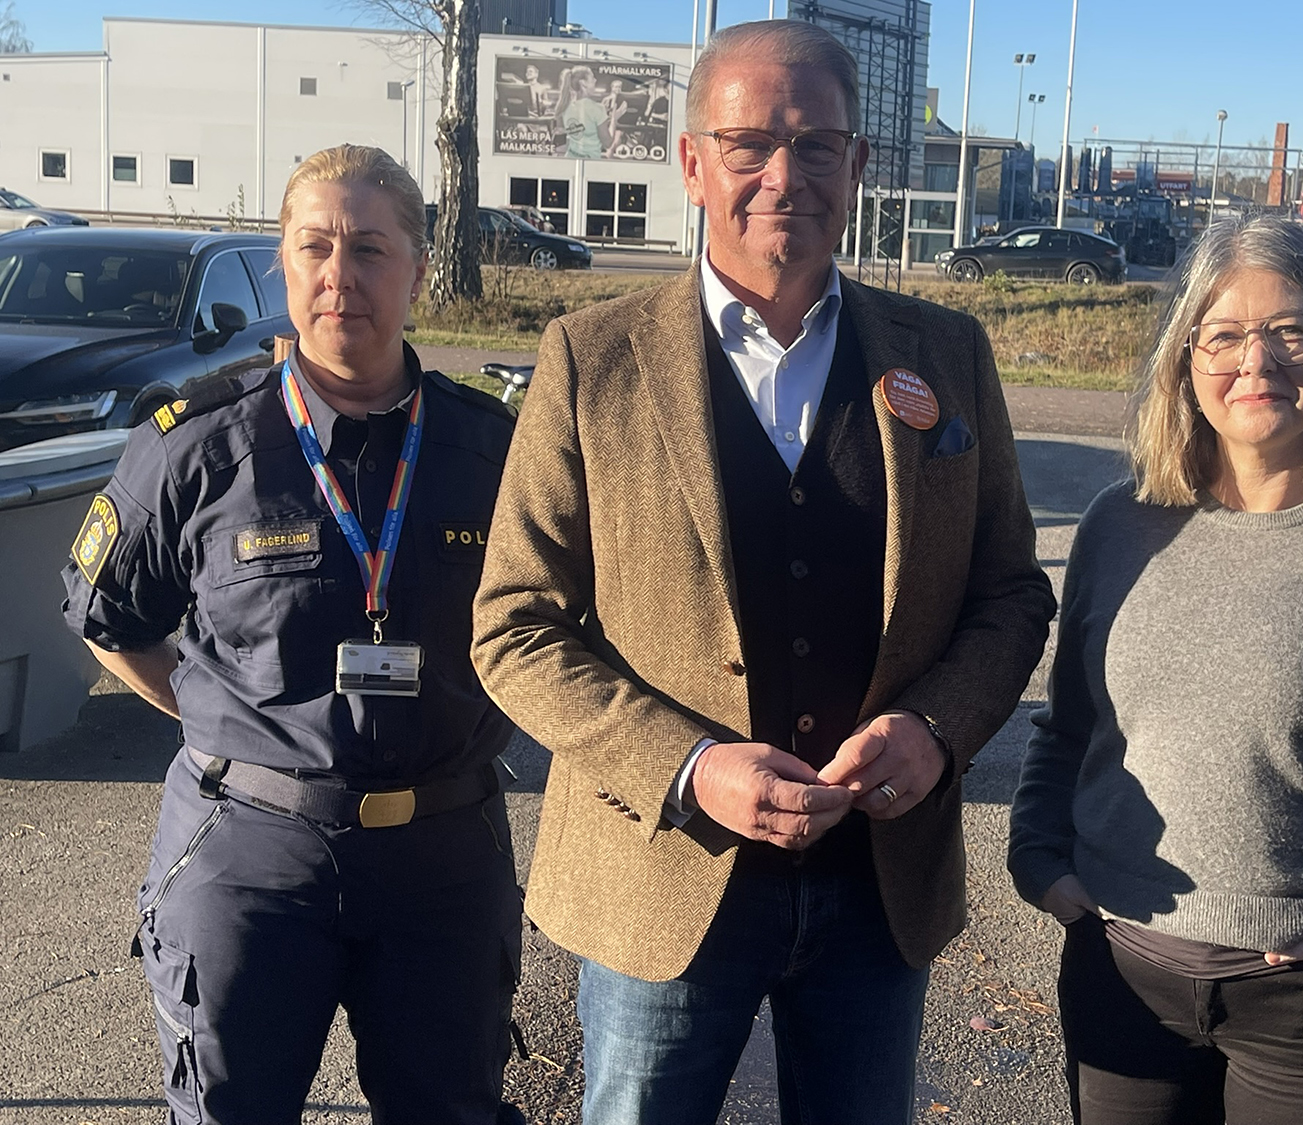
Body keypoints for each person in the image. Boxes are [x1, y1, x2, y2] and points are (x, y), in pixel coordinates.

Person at [472, 19, 1056, 1125]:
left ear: (858, 166)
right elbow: (514, 624)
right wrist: (690, 765)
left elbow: (1011, 593)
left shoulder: (946, 357)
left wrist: (936, 730)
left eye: (817, 145)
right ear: (693, 164)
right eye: (749, 145)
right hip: (663, 874)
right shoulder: (589, 358)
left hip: (875, 885)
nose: (783, 175)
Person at [61, 144, 526, 1125]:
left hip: (444, 858)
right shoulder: (196, 441)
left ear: (417, 269)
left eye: (369, 248)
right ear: (282, 258)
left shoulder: (497, 452)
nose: (338, 276)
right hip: (249, 857)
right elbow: (106, 615)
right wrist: (228, 723)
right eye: (314, 245)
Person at [1007, 212, 1303, 1125]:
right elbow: (1071, 728)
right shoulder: (1119, 526)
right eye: (1225, 334)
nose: (1258, 362)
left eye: (1290, 331)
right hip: (1123, 978)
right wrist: (1038, 856)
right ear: (1184, 356)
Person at [553, 65, 610, 159]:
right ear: (583, 83)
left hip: (570, 159)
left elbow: (563, 132)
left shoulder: (564, 107)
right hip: (592, 163)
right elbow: (608, 143)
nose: (595, 80)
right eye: (592, 77)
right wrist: (614, 120)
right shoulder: (598, 108)